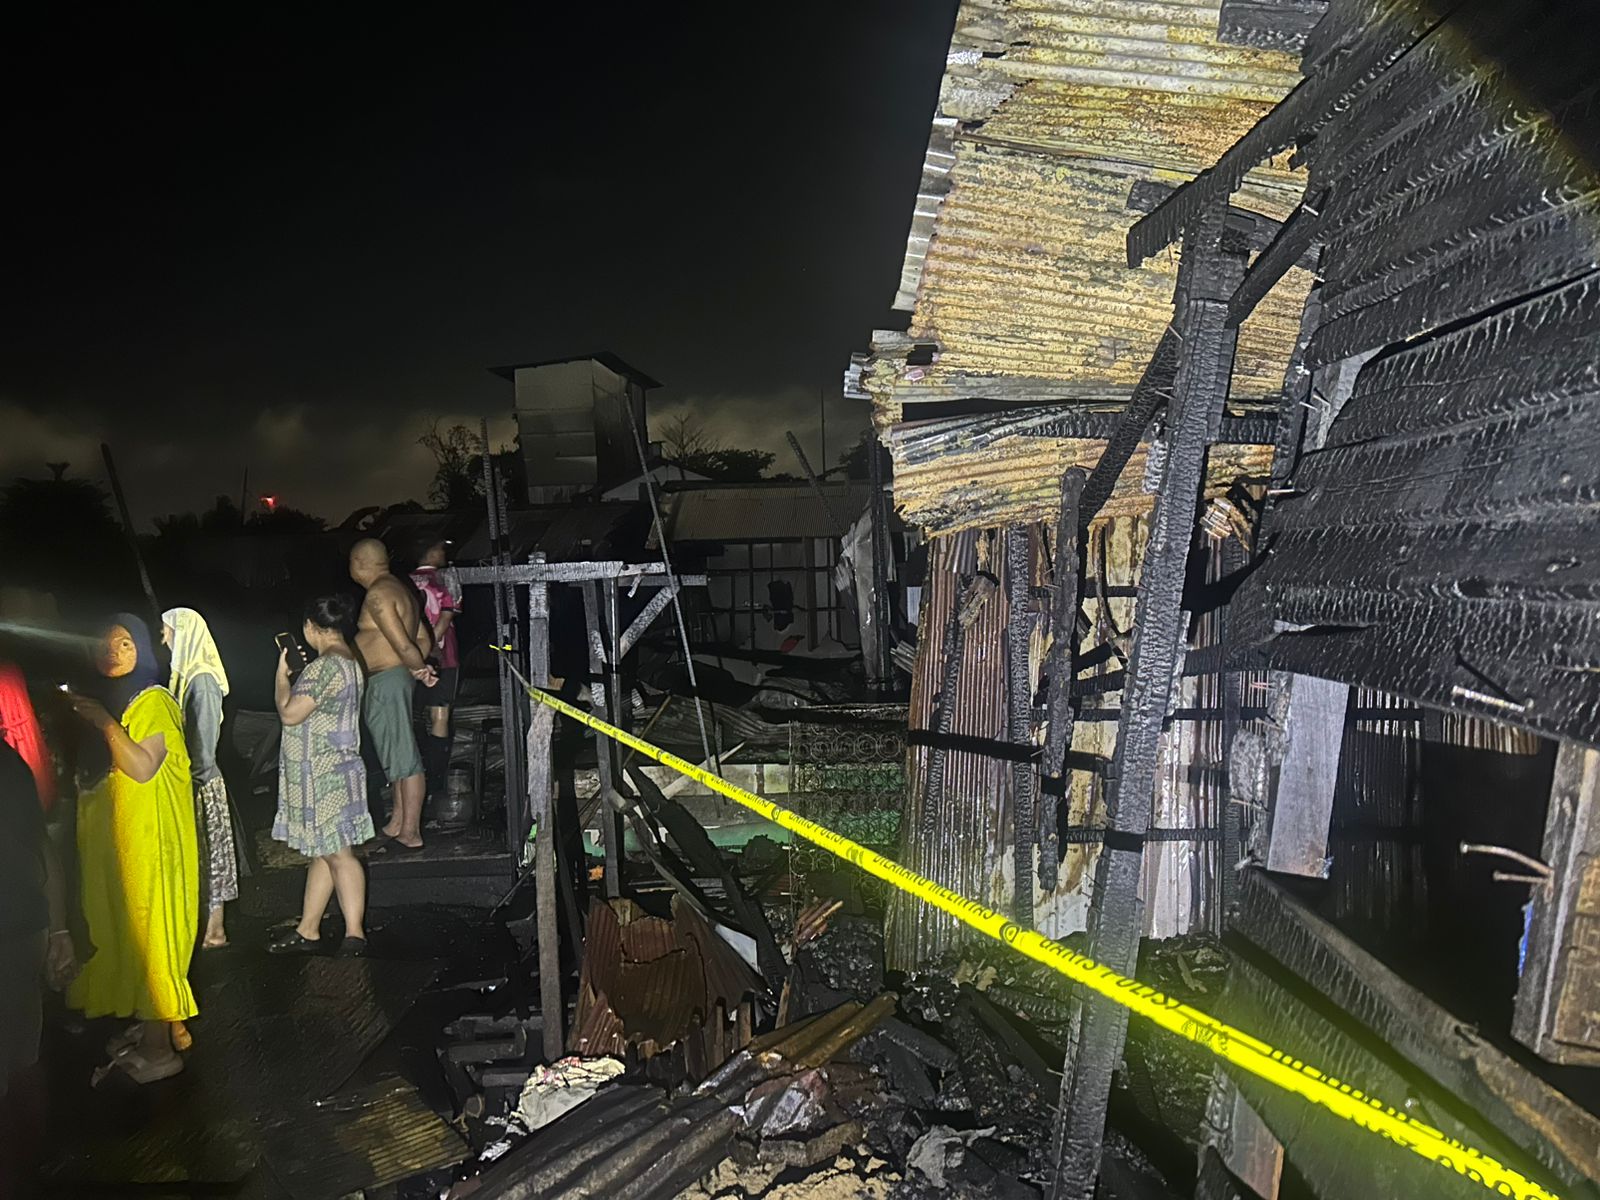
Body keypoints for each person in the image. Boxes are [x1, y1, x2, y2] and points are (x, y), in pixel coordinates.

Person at [65, 614, 199, 1084]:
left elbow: (142, 768)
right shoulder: (111, 699)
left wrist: (103, 723)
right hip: (123, 848)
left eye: (125, 643)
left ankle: (160, 1051)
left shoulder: (152, 701)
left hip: (151, 849)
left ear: (143, 648)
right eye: (104, 644)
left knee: (151, 940)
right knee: (125, 935)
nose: (113, 652)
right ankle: (151, 1029)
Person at [270, 594, 372, 955]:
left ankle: (355, 934)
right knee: (325, 852)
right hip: (337, 768)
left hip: (325, 774)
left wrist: (281, 677)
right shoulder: (349, 661)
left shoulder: (325, 666)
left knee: (339, 855)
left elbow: (290, 713)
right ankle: (308, 929)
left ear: (311, 627)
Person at [0, 737, 75, 1195]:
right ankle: (27, 1168)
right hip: (26, 929)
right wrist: (59, 929)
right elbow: (42, 848)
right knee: (24, 1059)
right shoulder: (9, 764)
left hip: (18, 932)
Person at [349, 538, 435, 851]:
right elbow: (423, 638)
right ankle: (398, 822)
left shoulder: (379, 594)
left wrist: (417, 668)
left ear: (359, 563)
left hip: (387, 679)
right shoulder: (402, 590)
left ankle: (410, 831)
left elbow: (402, 643)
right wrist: (415, 666)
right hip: (393, 678)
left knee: (404, 756)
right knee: (396, 754)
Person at [161, 608, 239, 949]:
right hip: (192, 781)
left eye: (168, 630)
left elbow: (203, 749)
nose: (164, 638)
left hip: (200, 784)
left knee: (210, 856)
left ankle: (214, 929)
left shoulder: (202, 681)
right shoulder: (187, 677)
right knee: (202, 856)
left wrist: (188, 784)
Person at [410, 539, 463, 807]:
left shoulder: (404, 581)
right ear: (431, 551)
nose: (444, 553)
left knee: (413, 716)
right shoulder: (446, 578)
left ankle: (414, 778)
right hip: (444, 657)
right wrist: (430, 649)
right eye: (441, 548)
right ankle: (436, 781)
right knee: (440, 716)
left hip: (409, 659)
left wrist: (416, 655)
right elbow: (447, 616)